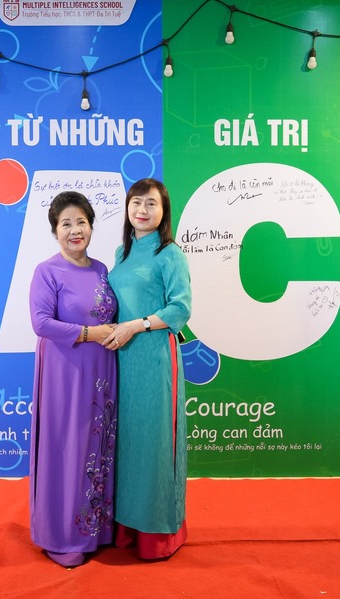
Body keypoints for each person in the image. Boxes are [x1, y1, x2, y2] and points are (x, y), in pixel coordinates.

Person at [28, 191, 118, 568]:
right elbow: (41, 323)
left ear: (91, 227)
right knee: (67, 447)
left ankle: (96, 530)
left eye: (81, 221)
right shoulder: (47, 271)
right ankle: (62, 535)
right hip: (65, 373)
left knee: (96, 446)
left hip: (103, 373)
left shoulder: (102, 269)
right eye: (66, 224)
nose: (75, 230)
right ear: (55, 232)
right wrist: (89, 333)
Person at [104, 178, 191, 560]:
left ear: (163, 211)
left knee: (155, 442)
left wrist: (135, 326)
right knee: (129, 442)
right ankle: (127, 526)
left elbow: (180, 308)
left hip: (155, 356)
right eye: (136, 202)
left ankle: (157, 533)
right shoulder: (121, 252)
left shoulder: (170, 253)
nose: (142, 209)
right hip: (122, 359)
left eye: (151, 203)